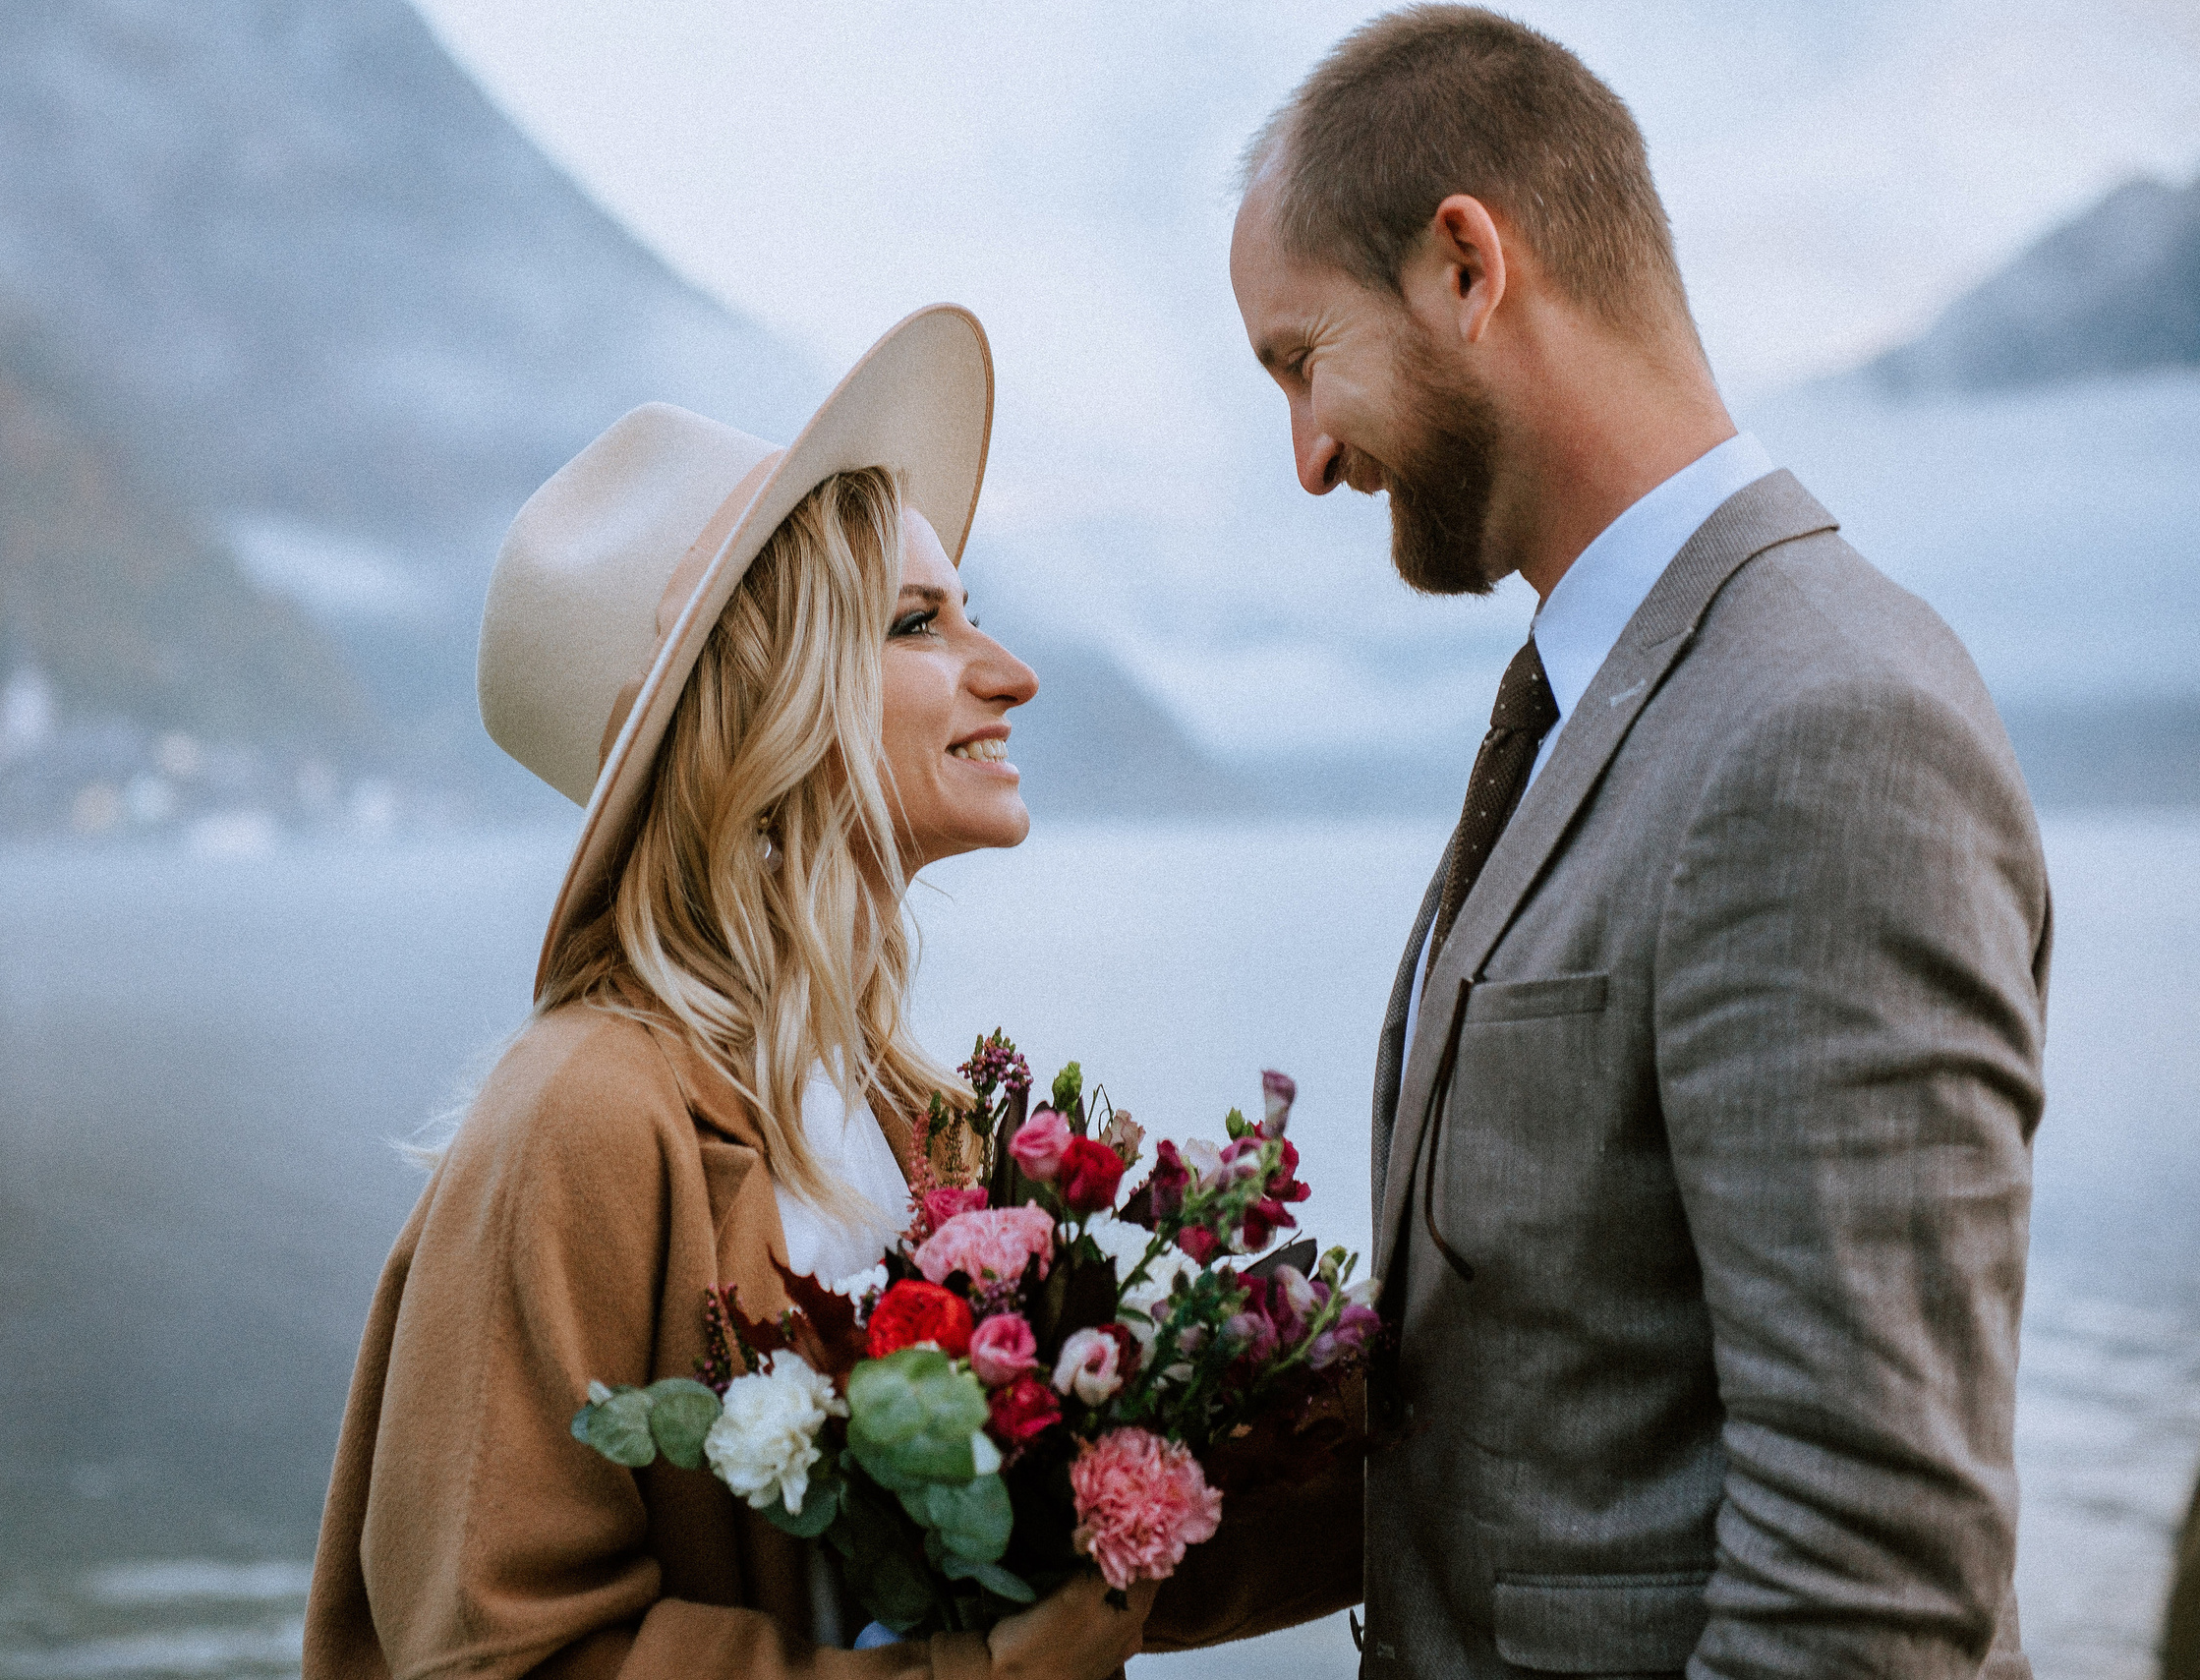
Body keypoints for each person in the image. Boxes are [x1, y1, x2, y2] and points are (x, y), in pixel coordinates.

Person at [1212, 8, 2051, 1675]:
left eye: (1302, 359)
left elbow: (1871, 1558)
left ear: (1468, 267)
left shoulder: (1824, 722)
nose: (1307, 458)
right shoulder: (1605, 692)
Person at [302, 306, 1154, 1680]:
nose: (1013, 672)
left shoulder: (919, 1113)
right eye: (919, 623)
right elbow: (499, 1658)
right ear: (768, 704)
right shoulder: (583, 1110)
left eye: (972, 610)